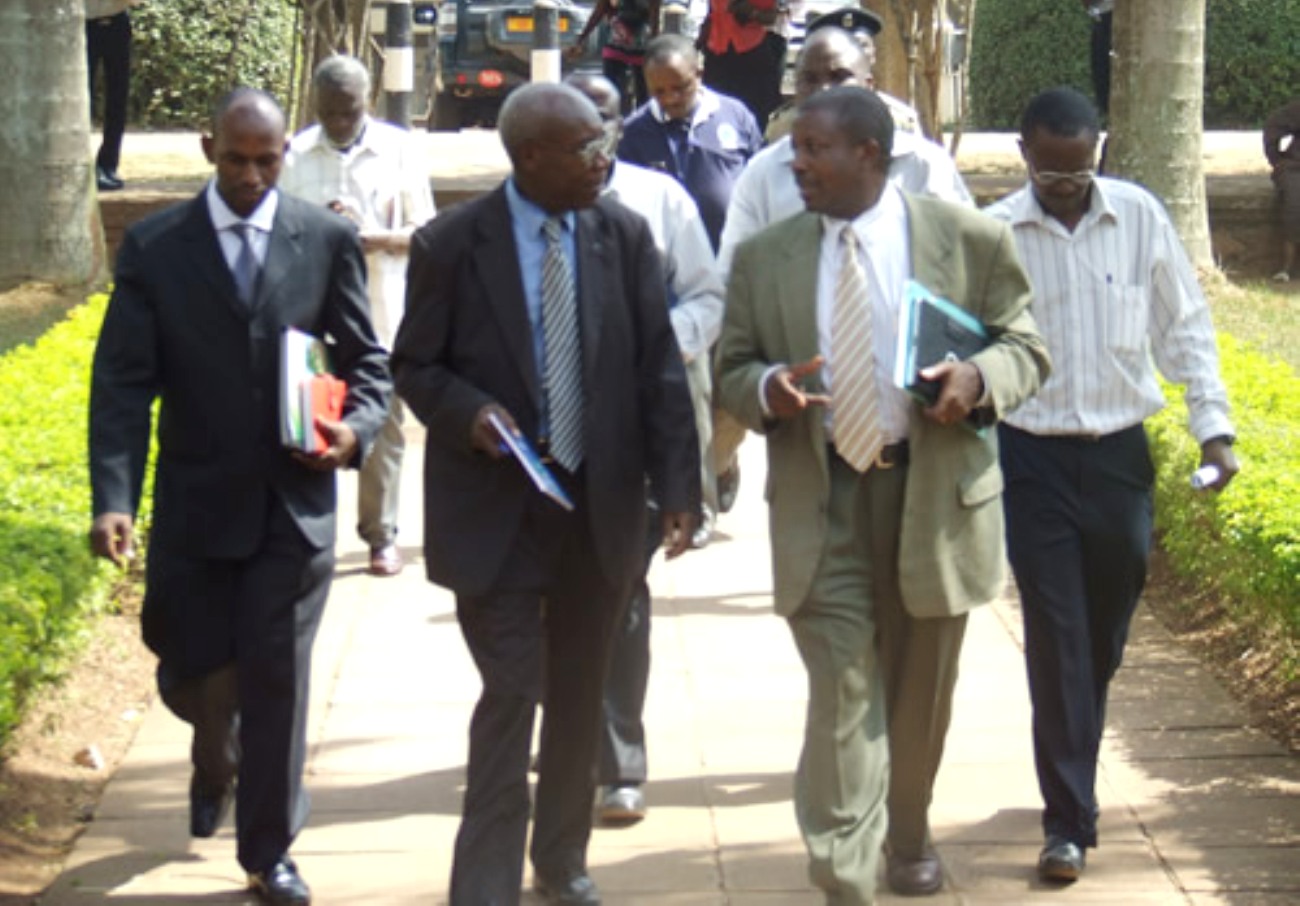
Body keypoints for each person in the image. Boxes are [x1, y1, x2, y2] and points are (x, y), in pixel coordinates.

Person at [715, 86, 1050, 903]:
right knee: (841, 690)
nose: (796, 164)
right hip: (821, 498)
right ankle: (845, 872)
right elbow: (729, 369)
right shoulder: (769, 257)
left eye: (814, 150)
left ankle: (907, 832)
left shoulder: (969, 239)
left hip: (932, 500)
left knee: (917, 697)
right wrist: (764, 391)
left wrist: (977, 377)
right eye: (795, 150)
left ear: (870, 154)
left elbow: (1027, 347)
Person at [391, 82, 700, 906]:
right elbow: (414, 365)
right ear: (530, 156)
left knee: (576, 695)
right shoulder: (453, 244)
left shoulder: (624, 236)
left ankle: (562, 860)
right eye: (586, 148)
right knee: (513, 692)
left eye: (605, 144)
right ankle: (484, 883)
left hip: (597, 513)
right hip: (495, 513)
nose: (605, 160)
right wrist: (468, 413)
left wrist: (678, 488)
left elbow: (658, 372)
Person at [88, 88, 392, 905]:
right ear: (206, 148)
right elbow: (122, 381)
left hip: (295, 508)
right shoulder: (156, 247)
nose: (252, 175)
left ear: (283, 156)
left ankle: (269, 851)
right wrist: (112, 497)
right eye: (236, 159)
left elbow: (368, 365)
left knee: (278, 683)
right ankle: (210, 749)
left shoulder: (324, 240)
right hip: (196, 505)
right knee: (194, 671)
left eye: (267, 160)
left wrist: (355, 433)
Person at [984, 86, 1239, 884]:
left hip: (1121, 457)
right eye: (1052, 173)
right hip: (1033, 459)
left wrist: (1215, 428)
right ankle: (1068, 820)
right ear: (1026, 156)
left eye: (1081, 168)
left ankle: (1073, 758)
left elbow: (1184, 324)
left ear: (1099, 150)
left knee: (1102, 635)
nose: (1068, 186)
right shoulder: (993, 235)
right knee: (1057, 640)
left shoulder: (1139, 217)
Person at [566, 71, 724, 826]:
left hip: (630, 442)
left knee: (624, 594)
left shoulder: (659, 205)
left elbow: (705, 296)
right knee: (547, 606)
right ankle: (569, 729)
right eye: (574, 121)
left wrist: (662, 346)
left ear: (621, 124)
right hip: (539, 452)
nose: (590, 137)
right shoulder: (510, 218)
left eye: (602, 120)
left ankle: (620, 764)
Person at [279, 55, 437, 577]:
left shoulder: (398, 150)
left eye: (347, 112)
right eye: (328, 112)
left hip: (380, 313)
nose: (339, 122)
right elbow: (275, 233)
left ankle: (380, 533)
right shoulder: (296, 154)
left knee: (383, 428)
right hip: (311, 317)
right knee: (308, 427)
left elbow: (425, 234)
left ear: (366, 102)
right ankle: (308, 534)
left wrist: (372, 238)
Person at [619, 33, 764, 252]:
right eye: (659, 91)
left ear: (698, 75)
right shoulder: (633, 132)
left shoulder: (735, 116)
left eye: (680, 87)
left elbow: (759, 180)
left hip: (730, 257)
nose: (670, 99)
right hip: (665, 265)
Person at [698, 0, 787, 129]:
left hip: (752, 53)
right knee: (714, 112)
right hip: (717, 51)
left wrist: (752, 12)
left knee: (754, 115)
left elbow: (771, 16)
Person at [566, 0, 661, 114]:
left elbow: (655, 19)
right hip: (615, 43)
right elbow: (599, 11)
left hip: (641, 47)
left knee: (643, 95)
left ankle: (638, 127)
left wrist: (655, 47)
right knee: (613, 92)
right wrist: (581, 39)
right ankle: (617, 124)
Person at [85, 0, 140, 191]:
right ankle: (83, 165)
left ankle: (108, 166)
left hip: (117, 22)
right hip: (84, 24)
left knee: (118, 98)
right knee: (83, 100)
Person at [1263, 98, 1300, 282]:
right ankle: (1286, 267)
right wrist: (1276, 160)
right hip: (1296, 168)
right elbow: (1274, 124)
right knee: (1294, 204)